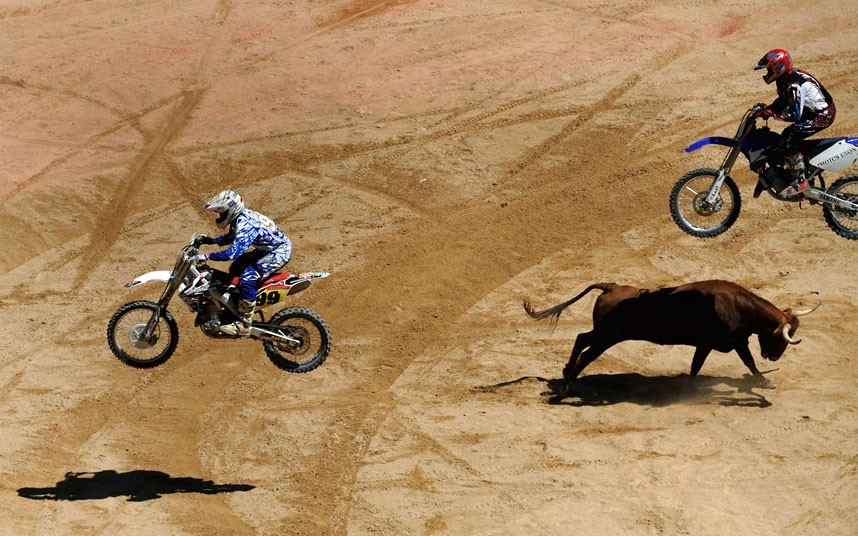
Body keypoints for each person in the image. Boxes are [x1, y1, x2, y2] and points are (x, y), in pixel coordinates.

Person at [193, 189, 292, 336]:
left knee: (247, 278)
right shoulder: (241, 218)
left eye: (222, 213)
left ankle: (245, 323)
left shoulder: (246, 224)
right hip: (267, 249)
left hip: (278, 252)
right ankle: (236, 306)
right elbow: (233, 236)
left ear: (231, 210)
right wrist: (212, 241)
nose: (221, 216)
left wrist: (207, 256)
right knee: (237, 267)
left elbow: (233, 252)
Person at [752, 49, 836, 197]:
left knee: (789, 139)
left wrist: (773, 114)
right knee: (785, 137)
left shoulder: (794, 85)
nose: (768, 71)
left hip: (823, 114)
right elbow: (784, 101)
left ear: (779, 68)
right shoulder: (783, 80)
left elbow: (794, 114)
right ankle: (799, 169)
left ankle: (800, 180)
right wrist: (768, 110)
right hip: (811, 112)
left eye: (770, 68)